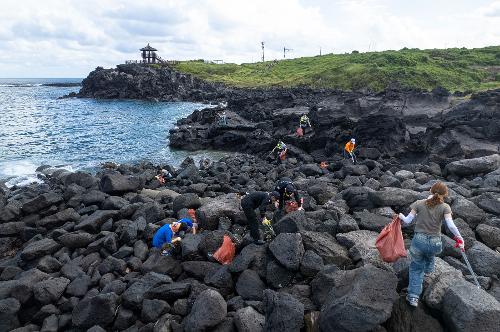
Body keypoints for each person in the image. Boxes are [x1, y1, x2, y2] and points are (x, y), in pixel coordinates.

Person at [397, 181, 465, 307]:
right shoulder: (445, 207)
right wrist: (460, 238)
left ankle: (413, 297)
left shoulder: (418, 203)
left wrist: (400, 216)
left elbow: (407, 221)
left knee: (416, 269)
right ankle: (429, 269)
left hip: (419, 241)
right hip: (435, 243)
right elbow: (450, 225)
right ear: (445, 194)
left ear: (430, 190)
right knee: (429, 254)